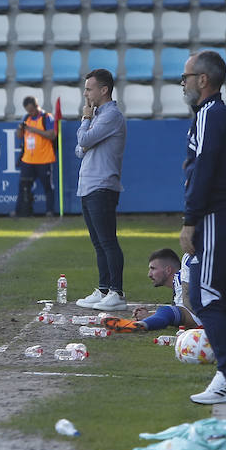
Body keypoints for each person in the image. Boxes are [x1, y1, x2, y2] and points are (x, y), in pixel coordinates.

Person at [181, 50, 226, 404]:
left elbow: (205, 167)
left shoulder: (210, 114)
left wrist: (190, 220)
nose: (184, 84)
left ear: (203, 79)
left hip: (212, 216)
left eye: (186, 77)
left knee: (204, 297)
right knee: (224, 297)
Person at [75, 68, 128, 310]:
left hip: (102, 184)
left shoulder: (111, 115)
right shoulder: (99, 116)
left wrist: (86, 120)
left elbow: (84, 142)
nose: (86, 93)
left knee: (107, 241)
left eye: (89, 88)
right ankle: (104, 288)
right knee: (98, 242)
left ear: (103, 90)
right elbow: (80, 149)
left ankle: (116, 292)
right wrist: (86, 134)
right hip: (89, 185)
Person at [14, 95, 56, 217]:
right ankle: (20, 211)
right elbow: (19, 136)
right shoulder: (26, 118)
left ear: (37, 106)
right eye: (28, 111)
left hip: (44, 159)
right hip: (28, 159)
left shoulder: (46, 117)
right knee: (23, 187)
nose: (30, 113)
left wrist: (33, 130)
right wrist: (20, 128)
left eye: (32, 110)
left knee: (48, 187)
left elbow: (52, 135)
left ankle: (49, 211)